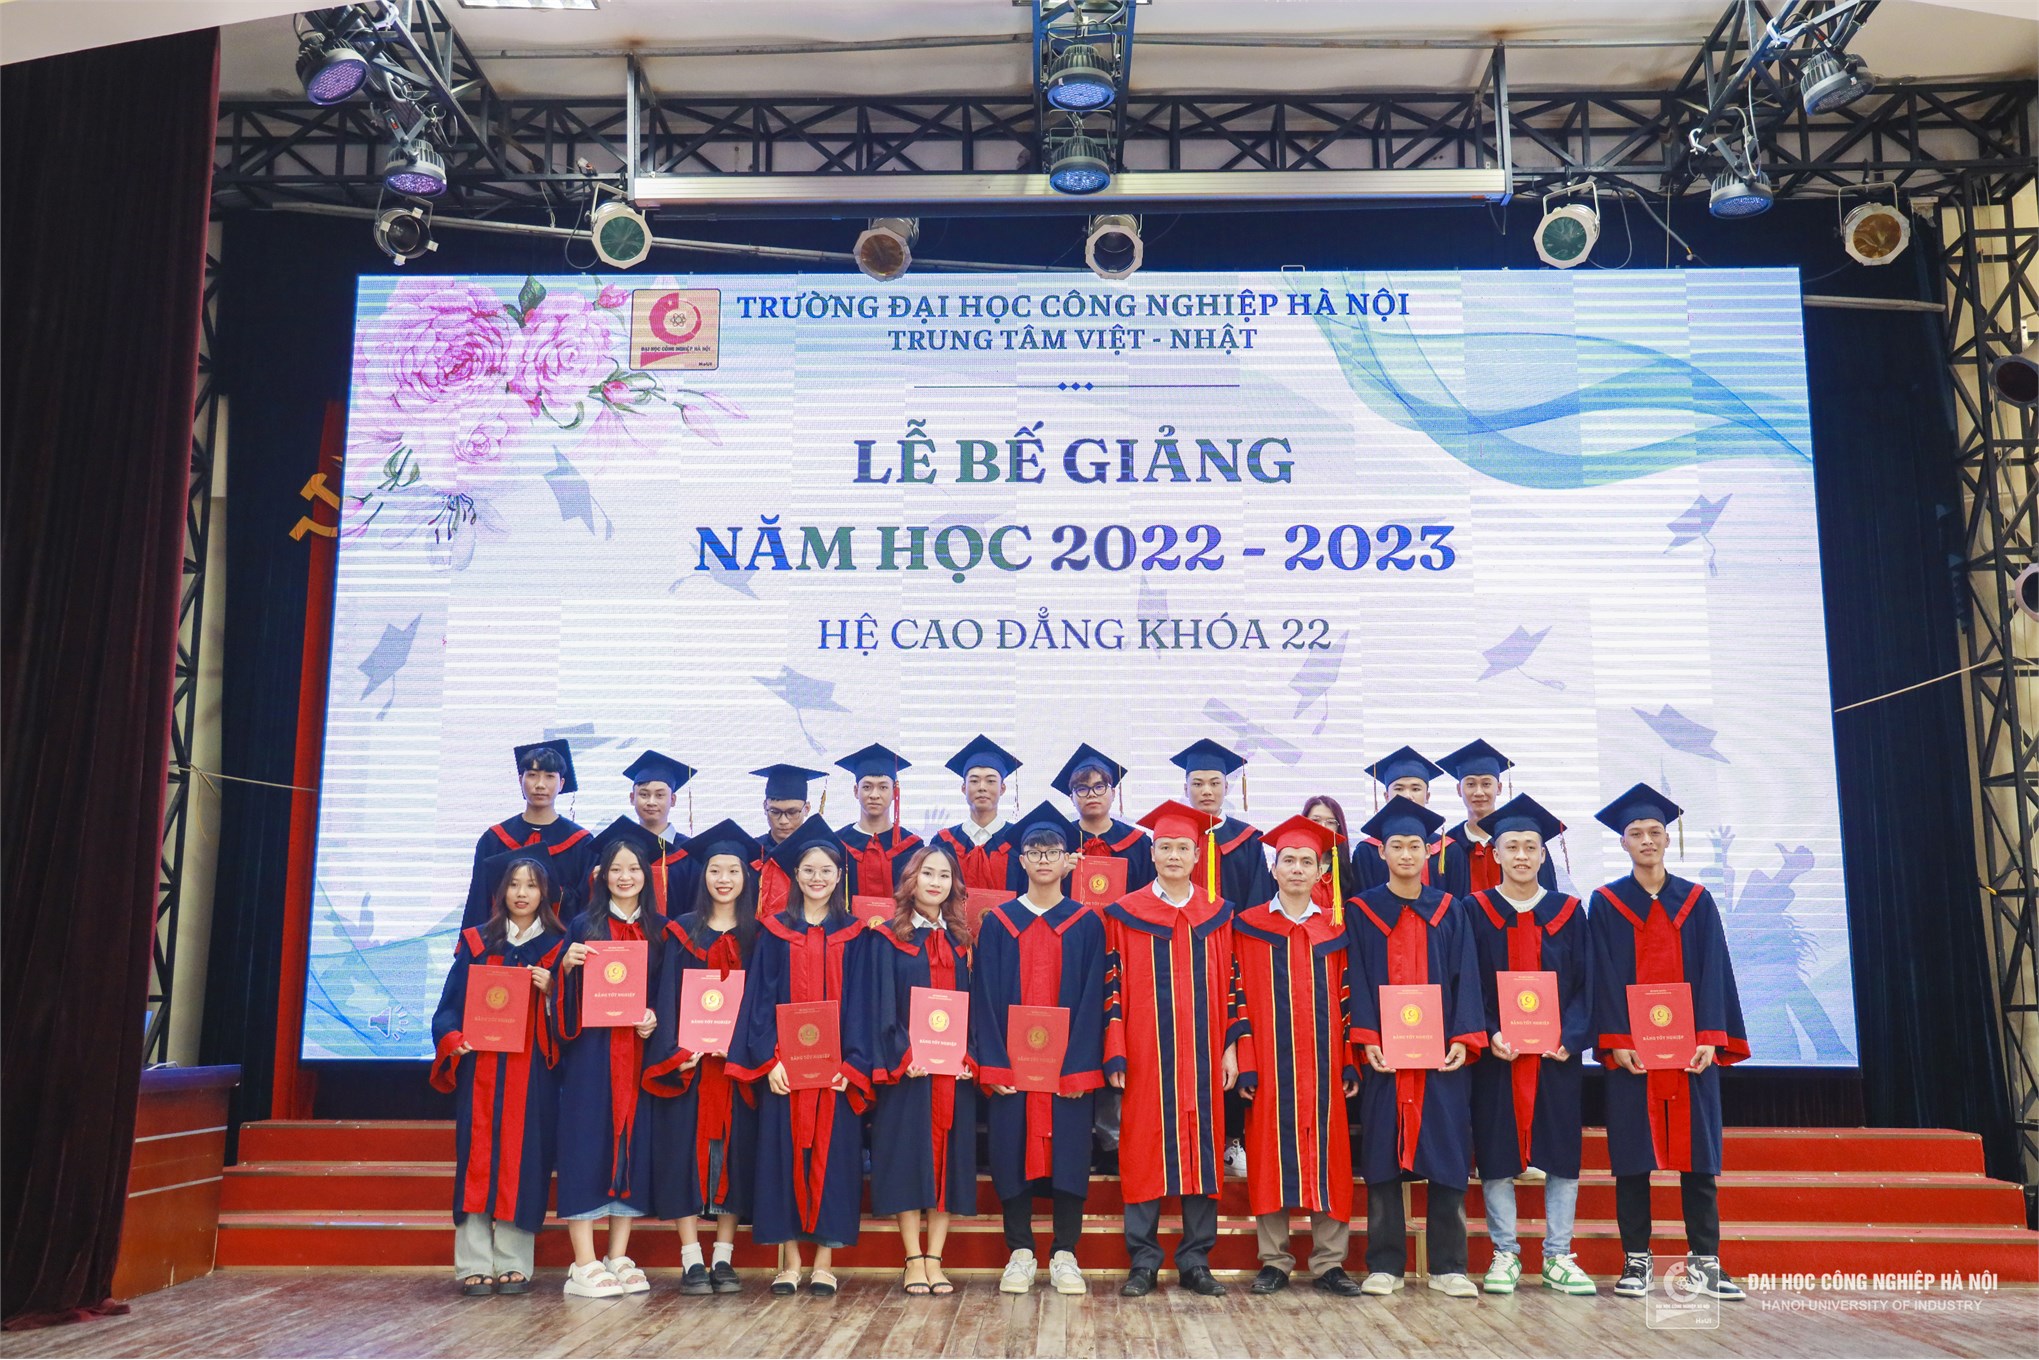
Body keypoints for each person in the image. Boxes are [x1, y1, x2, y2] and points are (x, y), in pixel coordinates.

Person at [1589, 783, 1751, 1303]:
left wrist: (1710, 1038)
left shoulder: (1697, 901)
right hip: (1633, 1054)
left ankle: (1706, 1262)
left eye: (1654, 832)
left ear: (1667, 838)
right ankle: (1636, 1261)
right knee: (1632, 1161)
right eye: (1636, 833)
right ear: (1623, 842)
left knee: (1698, 1162)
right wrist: (1615, 1041)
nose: (1646, 840)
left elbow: (1714, 970)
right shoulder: (1607, 903)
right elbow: (1602, 975)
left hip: (1690, 1052)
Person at [724, 817, 880, 1298]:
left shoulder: (856, 936)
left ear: (839, 877)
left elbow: (864, 1006)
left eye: (826, 870)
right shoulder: (773, 933)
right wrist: (769, 1061)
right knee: (782, 1159)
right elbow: (758, 1003)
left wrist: (852, 1066)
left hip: (835, 1076)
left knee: (835, 1164)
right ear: (796, 875)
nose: (817, 877)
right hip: (786, 1074)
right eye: (809, 869)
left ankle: (824, 1263)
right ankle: (790, 1262)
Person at [1345, 795, 1485, 1299]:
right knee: (1382, 1159)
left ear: (1429, 851)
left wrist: (1464, 1038)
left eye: (1415, 846)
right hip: (1386, 1057)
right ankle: (1384, 1265)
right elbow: (1356, 978)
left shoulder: (1451, 910)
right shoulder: (1362, 912)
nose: (1406, 854)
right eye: (1397, 846)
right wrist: (1367, 1038)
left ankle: (1449, 1267)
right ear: (1381, 852)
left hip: (1440, 1058)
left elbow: (1466, 976)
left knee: (1447, 1155)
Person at [970, 801, 1107, 1298]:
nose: (1044, 859)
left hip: (1067, 1069)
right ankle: (1021, 1253)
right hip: (1013, 1067)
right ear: (1022, 860)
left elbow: (1093, 999)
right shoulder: (999, 923)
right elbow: (983, 996)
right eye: (1034, 851)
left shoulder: (1087, 924)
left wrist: (1079, 1067)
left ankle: (1065, 1253)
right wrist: (994, 1064)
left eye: (1053, 852)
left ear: (1069, 861)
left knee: (1070, 1154)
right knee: (1010, 1152)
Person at [1104, 798, 1239, 1299]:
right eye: (1165, 847)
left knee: (1202, 1152)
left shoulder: (1217, 914)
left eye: (1184, 847)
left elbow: (1233, 988)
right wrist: (1116, 1049)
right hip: (1146, 1055)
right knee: (1143, 1150)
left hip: (1203, 1057)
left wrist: (1231, 1049)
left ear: (1198, 855)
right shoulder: (1126, 913)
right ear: (1153, 853)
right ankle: (1142, 1261)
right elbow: (1112, 987)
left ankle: (1196, 1260)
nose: (1175, 855)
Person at [1462, 795, 1595, 1296]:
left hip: (1556, 1056)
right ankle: (1506, 1253)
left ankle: (1559, 1255)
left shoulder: (1569, 912)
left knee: (1560, 1151)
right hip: (1499, 1056)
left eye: (1530, 847)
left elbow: (1586, 984)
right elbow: (1468, 983)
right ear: (1495, 853)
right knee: (1497, 1150)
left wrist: (1571, 1036)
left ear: (1543, 855)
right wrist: (1490, 1031)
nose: (1521, 855)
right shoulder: (1475, 911)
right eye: (1512, 846)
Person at [1230, 816, 1363, 1298]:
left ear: (1321, 870)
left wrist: (1348, 1059)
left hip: (1323, 1068)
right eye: (1289, 860)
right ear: (1274, 867)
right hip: (1270, 1066)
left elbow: (1349, 999)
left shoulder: (1335, 928)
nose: (1298, 869)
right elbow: (1237, 998)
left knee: (1330, 1158)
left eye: (1308, 861)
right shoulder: (1248, 927)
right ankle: (1275, 1260)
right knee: (1269, 1156)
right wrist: (1247, 1060)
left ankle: (1329, 1261)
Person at [429, 855, 564, 1297]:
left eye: (532, 885)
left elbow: (574, 1021)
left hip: (532, 1073)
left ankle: (513, 1261)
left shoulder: (558, 947)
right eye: (514, 884)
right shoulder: (476, 942)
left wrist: (553, 992)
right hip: (482, 1069)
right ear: (501, 890)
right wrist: (453, 1038)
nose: (522, 893)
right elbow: (448, 1008)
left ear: (545, 894)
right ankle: (473, 1262)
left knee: (524, 1160)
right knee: (477, 1158)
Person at [642, 819, 761, 1296]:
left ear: (745, 876)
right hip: (690, 1068)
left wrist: (744, 1048)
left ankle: (724, 1256)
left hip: (736, 1068)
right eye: (715, 870)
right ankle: (691, 1256)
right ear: (703, 875)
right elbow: (668, 996)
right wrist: (678, 1052)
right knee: (684, 1156)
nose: (724, 879)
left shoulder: (760, 936)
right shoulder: (681, 933)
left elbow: (762, 1004)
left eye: (733, 870)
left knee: (735, 1154)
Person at [550, 834, 665, 1298]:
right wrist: (566, 968)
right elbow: (561, 1004)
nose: (625, 876)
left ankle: (617, 1255)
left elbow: (666, 995)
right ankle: (583, 1262)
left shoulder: (659, 930)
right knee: (586, 1144)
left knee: (630, 1145)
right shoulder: (583, 925)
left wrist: (654, 1017)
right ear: (601, 876)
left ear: (646, 876)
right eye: (616, 869)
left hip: (635, 1055)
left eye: (633, 868)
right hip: (591, 1057)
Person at [871, 844, 980, 1298]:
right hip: (909, 1073)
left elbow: (973, 1006)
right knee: (907, 1159)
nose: (936, 882)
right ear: (911, 880)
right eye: (927, 873)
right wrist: (902, 1055)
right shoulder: (887, 938)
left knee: (947, 1162)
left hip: (951, 1073)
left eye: (944, 875)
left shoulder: (961, 941)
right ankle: (912, 1257)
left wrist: (969, 1055)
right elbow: (880, 1002)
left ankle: (936, 1258)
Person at [462, 740, 593, 929]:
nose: (540, 785)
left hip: (560, 944)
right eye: (532, 775)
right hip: (501, 942)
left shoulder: (581, 844)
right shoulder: (494, 839)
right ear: (520, 780)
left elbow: (587, 907)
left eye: (549, 776)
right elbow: (479, 901)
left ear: (562, 784)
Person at [1437, 740, 1556, 901]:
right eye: (1470, 784)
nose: (1479, 792)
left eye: (1486, 784)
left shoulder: (1522, 839)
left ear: (1499, 788)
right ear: (1459, 789)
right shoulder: (1447, 847)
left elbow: (1548, 899)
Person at [1170, 739, 1275, 909]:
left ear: (1226, 787)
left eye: (1214, 783)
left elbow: (1259, 900)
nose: (1206, 791)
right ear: (1185, 789)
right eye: (1197, 784)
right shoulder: (1171, 838)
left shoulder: (1248, 840)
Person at [1050, 742, 1154, 894]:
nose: (1092, 794)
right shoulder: (1057, 842)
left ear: (1113, 793)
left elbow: (1149, 895)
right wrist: (1057, 877)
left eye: (1099, 787)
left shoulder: (1139, 844)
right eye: (1082, 789)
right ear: (1072, 798)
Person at [931, 734, 1024, 894]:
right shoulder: (943, 842)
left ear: (1002, 789)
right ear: (963, 788)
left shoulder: (1018, 841)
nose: (982, 787)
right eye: (974, 781)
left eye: (991, 781)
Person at [1349, 746, 1448, 893]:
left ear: (1427, 796)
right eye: (1399, 789)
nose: (1407, 795)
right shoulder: (1367, 851)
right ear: (1386, 796)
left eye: (1415, 789)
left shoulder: (1448, 850)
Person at [834, 743, 924, 899]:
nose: (874, 795)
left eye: (883, 787)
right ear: (855, 791)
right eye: (867, 787)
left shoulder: (912, 847)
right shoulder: (837, 844)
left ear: (894, 792)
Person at [622, 749, 702, 916]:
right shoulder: (619, 849)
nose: (651, 802)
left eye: (659, 795)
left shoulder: (689, 854)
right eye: (644, 795)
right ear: (632, 798)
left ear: (672, 800)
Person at [748, 764, 824, 916]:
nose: (783, 821)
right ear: (764, 807)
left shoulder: (821, 854)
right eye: (775, 811)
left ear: (807, 809)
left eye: (792, 812)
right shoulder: (752, 851)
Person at [1301, 795, 1356, 915]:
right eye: (1315, 820)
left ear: (1338, 828)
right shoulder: (1291, 869)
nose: (1323, 826)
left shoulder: (1349, 871)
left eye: (1331, 822)